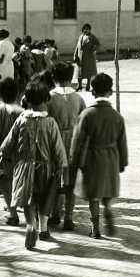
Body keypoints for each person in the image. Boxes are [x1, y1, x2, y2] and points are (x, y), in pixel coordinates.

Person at [0, 81, 67, 248]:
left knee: (28, 198)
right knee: (44, 197)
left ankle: (30, 224)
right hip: (44, 167)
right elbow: (57, 147)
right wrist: (61, 164)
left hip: (23, 165)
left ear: (27, 100)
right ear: (46, 99)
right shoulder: (50, 123)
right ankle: (43, 229)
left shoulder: (21, 121)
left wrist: (4, 155)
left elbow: (8, 143)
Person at [70, 73, 128, 239]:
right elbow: (122, 142)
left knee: (93, 197)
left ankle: (95, 228)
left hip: (91, 158)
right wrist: (122, 162)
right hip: (111, 157)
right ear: (110, 92)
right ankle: (108, 209)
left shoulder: (87, 115)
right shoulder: (117, 116)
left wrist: (74, 161)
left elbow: (77, 140)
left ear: (93, 92)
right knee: (107, 192)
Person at [47, 61, 87, 230]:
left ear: (53, 77)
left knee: (54, 178)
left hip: (54, 139)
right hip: (74, 140)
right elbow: (83, 120)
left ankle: (55, 213)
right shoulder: (78, 97)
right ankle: (69, 217)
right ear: (70, 78)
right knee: (70, 181)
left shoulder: (49, 97)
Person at [0, 78, 24, 226]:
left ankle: (12, 213)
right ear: (17, 94)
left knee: (5, 182)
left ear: (0, 95)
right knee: (18, 180)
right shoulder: (22, 111)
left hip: (1, 150)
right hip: (19, 150)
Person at [74, 23, 101, 91]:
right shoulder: (80, 37)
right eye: (84, 29)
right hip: (80, 57)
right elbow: (77, 47)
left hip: (89, 56)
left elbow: (98, 44)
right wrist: (75, 54)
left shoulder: (92, 37)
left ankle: (88, 85)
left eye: (87, 29)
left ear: (89, 30)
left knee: (89, 71)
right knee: (79, 72)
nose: (85, 30)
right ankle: (79, 85)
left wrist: (93, 51)